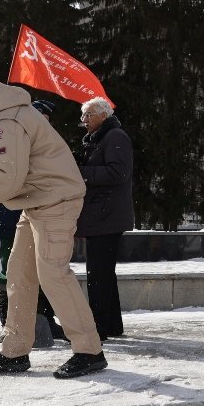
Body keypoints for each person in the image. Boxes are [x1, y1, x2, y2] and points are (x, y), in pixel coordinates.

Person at [0, 71, 106, 378]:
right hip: (36, 201)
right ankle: (14, 351)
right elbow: (11, 158)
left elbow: (7, 178)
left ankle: (89, 350)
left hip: (55, 200)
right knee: (20, 274)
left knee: (53, 273)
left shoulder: (4, 121)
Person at [0, 99, 65, 342]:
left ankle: (45, 321)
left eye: (47, 120)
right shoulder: (11, 139)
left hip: (40, 214)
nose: (44, 124)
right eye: (40, 118)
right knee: (10, 271)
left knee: (42, 270)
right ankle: (8, 325)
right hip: (10, 215)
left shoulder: (47, 146)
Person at [75, 96, 134, 341]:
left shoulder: (115, 137)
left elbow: (118, 172)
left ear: (103, 115)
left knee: (99, 275)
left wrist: (82, 173)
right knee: (102, 274)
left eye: (88, 115)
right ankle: (110, 325)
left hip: (106, 217)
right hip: (101, 216)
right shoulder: (100, 138)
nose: (84, 120)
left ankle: (100, 326)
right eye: (83, 116)